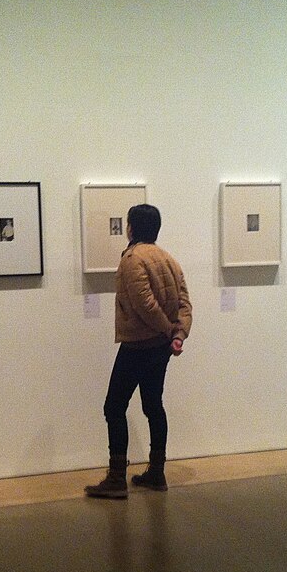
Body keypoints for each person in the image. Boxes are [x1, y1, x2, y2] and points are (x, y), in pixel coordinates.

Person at [85, 204, 192, 499]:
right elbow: (184, 302)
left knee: (114, 406)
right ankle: (156, 473)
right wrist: (178, 333)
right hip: (160, 348)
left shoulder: (132, 259)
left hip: (138, 345)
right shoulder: (168, 259)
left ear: (131, 227)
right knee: (153, 405)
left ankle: (117, 478)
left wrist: (170, 330)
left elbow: (145, 304)